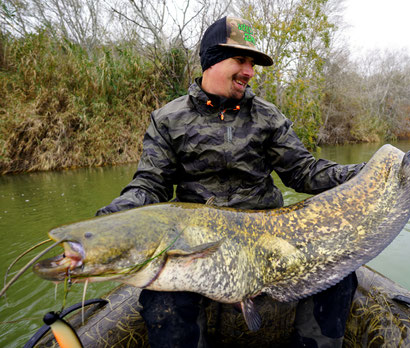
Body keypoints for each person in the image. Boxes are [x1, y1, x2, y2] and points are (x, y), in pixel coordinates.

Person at [97, 16, 365, 348]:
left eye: (252, 63)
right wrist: (119, 213)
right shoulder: (168, 119)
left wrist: (365, 172)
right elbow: (151, 185)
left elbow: (304, 173)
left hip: (266, 238)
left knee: (339, 274)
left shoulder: (268, 117)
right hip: (196, 243)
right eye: (241, 60)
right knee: (162, 303)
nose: (250, 71)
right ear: (211, 59)